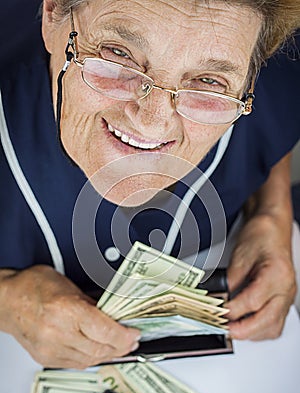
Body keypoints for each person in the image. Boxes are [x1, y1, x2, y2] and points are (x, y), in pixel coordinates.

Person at [0, 0, 299, 369]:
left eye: (207, 81)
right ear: (53, 15)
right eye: (118, 54)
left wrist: (273, 214)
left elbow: (278, 112)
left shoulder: (262, 76)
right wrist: (9, 303)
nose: (153, 124)